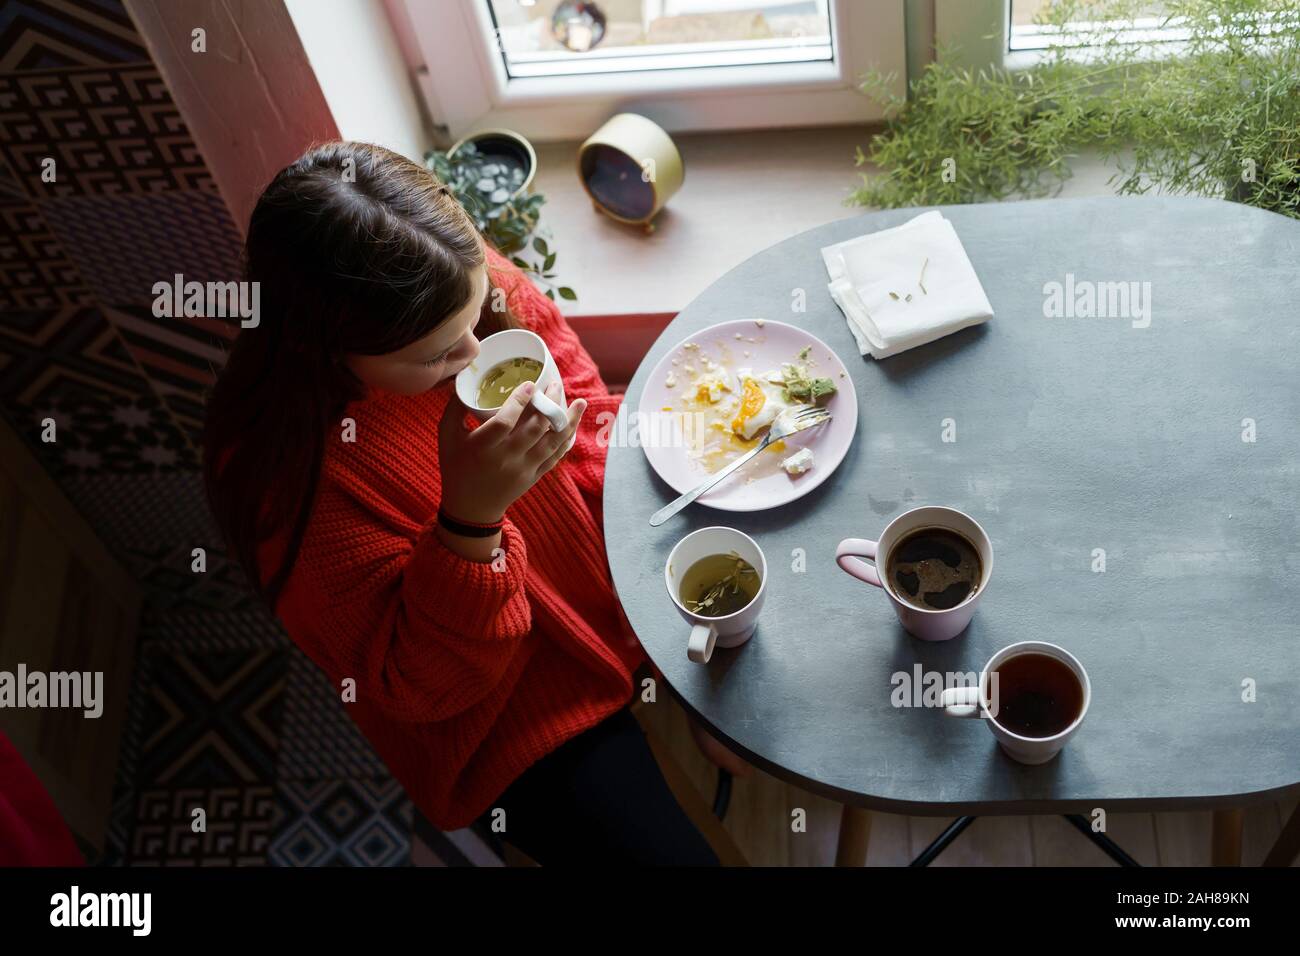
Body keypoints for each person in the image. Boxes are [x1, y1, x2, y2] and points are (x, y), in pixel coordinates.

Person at [203, 141, 746, 866]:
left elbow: (572, 375)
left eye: (474, 316)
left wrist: (581, 456)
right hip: (505, 711)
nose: (473, 352)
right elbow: (419, 690)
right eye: (435, 357)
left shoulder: (437, 267)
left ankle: (683, 675)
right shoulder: (288, 485)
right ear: (324, 348)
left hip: (597, 566)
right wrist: (469, 524)